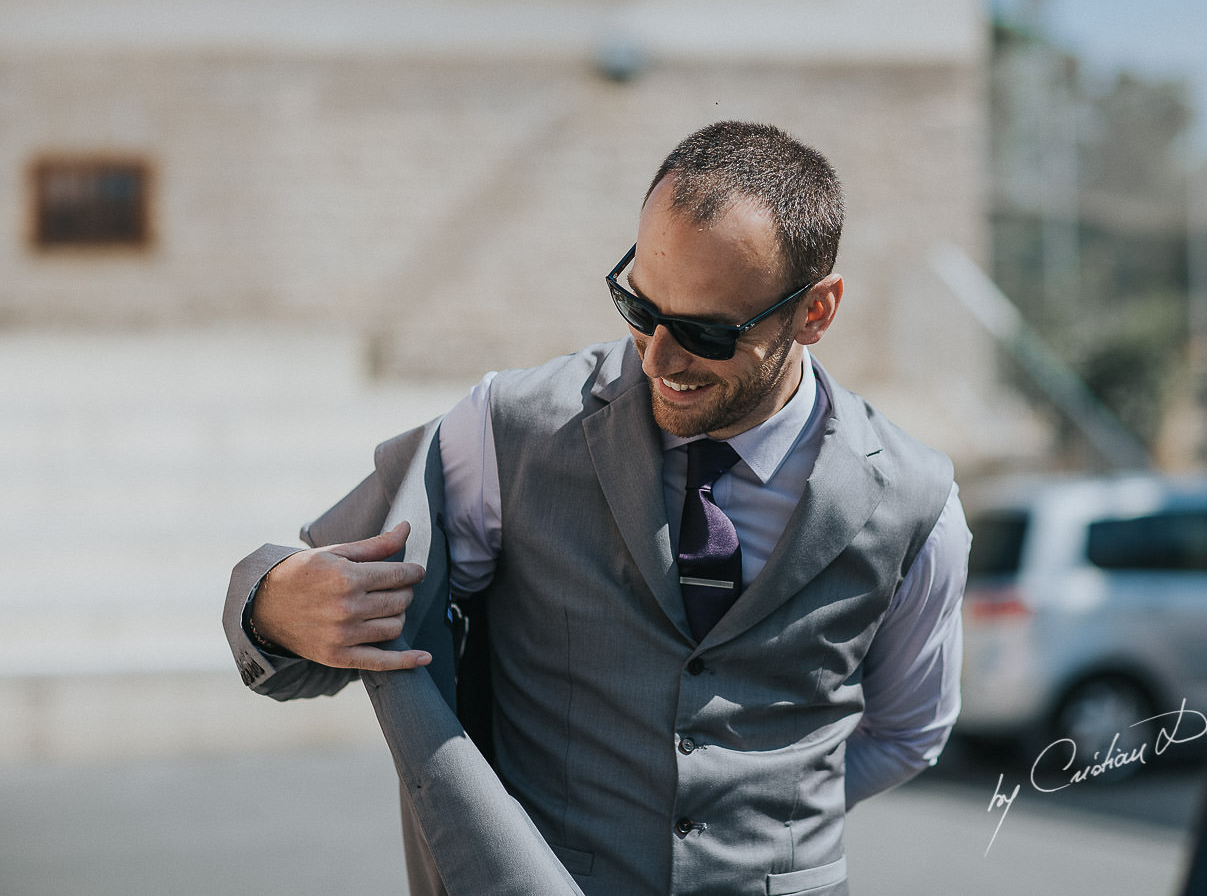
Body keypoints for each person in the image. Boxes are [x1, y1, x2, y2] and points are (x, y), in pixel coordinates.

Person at [224, 120, 971, 896]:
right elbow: (315, 598)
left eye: (705, 332)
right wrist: (273, 605)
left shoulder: (920, 503)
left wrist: (770, 822)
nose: (657, 357)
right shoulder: (504, 430)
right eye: (639, 306)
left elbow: (909, 731)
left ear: (816, 311)